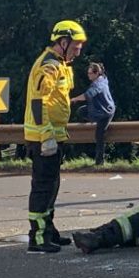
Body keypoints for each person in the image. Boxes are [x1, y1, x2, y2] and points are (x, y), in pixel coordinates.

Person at [23, 19, 87, 254]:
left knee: (51, 187)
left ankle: (48, 231)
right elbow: (39, 102)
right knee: (43, 188)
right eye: (75, 47)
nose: (78, 52)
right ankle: (38, 237)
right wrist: (47, 135)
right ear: (63, 41)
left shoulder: (60, 64)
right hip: (43, 137)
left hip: (53, 136)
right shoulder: (48, 66)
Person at [70, 61, 116, 166]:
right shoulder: (103, 79)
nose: (88, 75)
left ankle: (99, 162)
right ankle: (93, 119)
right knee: (81, 111)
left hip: (105, 112)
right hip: (97, 109)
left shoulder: (97, 84)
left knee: (99, 135)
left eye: (90, 73)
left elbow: (87, 95)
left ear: (96, 74)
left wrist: (74, 99)